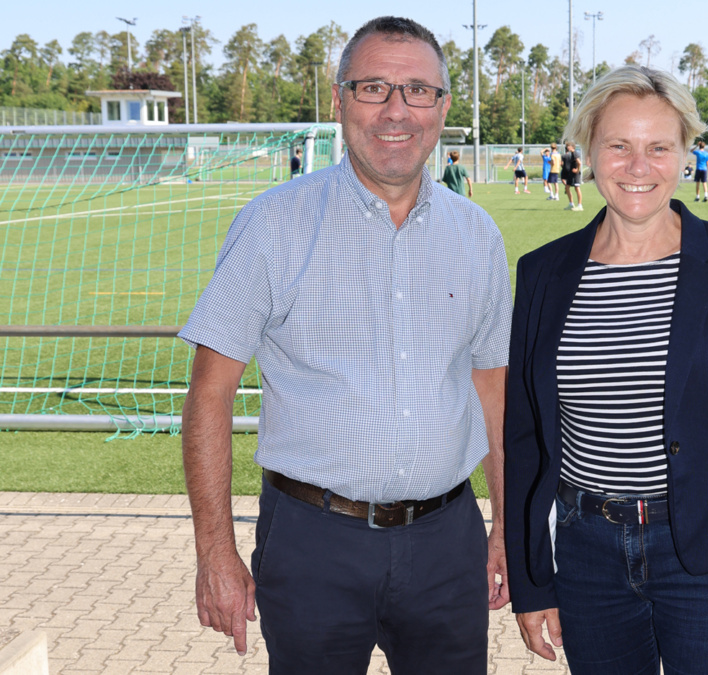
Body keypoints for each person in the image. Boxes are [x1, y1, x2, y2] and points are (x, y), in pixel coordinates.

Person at [178, 15, 512, 674]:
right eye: (373, 88)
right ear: (338, 100)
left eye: (418, 90)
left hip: (448, 542)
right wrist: (213, 549)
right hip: (312, 542)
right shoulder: (273, 224)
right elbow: (209, 394)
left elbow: (493, 391)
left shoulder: (478, 236)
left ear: (443, 107)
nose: (397, 110)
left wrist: (506, 526)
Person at [505, 65, 708, 675]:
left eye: (658, 147)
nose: (637, 166)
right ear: (588, 150)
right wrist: (533, 578)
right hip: (588, 556)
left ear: (685, 154)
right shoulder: (543, 273)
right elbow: (527, 438)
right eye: (619, 145)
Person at [561, 142, 584, 211]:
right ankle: (571, 204)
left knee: (577, 188)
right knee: (567, 187)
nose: (567, 147)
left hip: (575, 174)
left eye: (569, 146)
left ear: (572, 147)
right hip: (571, 174)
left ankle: (580, 205)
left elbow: (579, 162)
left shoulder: (575, 153)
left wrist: (577, 169)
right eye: (567, 146)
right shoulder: (571, 154)